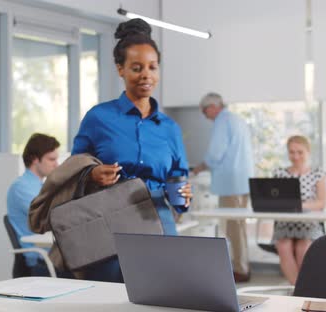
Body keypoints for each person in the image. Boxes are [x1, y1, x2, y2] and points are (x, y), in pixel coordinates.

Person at [72, 18, 192, 283]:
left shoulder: (169, 128)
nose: (146, 75)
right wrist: (92, 175)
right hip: (109, 222)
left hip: (159, 218)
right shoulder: (98, 117)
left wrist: (183, 194)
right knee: (108, 295)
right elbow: (73, 169)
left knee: (164, 292)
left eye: (152, 67)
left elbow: (179, 177)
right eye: (136, 68)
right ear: (120, 69)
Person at [192, 92, 254, 282]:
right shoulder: (238, 119)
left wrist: (200, 167)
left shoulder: (222, 120)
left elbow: (216, 152)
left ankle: (240, 269)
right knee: (239, 226)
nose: (206, 117)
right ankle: (242, 266)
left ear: (212, 107)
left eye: (205, 112)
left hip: (230, 183)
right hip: (242, 181)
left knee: (233, 228)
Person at [272, 135, 326, 285]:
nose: (295, 156)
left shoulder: (317, 174)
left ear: (308, 152)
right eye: (291, 152)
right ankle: (297, 288)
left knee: (303, 247)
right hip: (285, 223)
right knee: (283, 246)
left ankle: (302, 287)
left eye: (300, 152)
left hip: (308, 223)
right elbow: (275, 200)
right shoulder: (280, 173)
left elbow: (321, 203)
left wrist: (298, 205)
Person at [7, 133, 59, 274]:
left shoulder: (40, 186)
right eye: (51, 159)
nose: (57, 164)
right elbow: (51, 216)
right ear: (35, 159)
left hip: (51, 256)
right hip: (40, 260)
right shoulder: (21, 187)